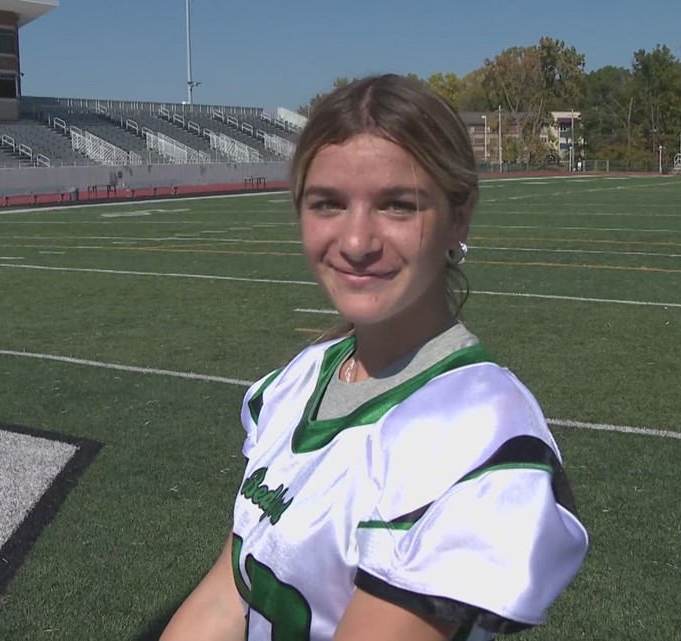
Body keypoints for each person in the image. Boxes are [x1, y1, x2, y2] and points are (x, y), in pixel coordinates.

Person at [161, 74, 588, 641]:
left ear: (458, 216)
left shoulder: (478, 434)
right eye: (328, 204)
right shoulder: (300, 379)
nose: (357, 241)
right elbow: (223, 598)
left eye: (396, 205)